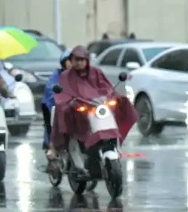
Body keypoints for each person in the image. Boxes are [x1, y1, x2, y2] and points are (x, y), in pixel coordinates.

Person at [50, 46, 137, 177]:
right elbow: (63, 95)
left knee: (121, 101)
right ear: (71, 60)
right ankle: (74, 151)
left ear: (87, 60)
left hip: (97, 108)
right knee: (66, 112)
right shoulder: (66, 76)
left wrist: (112, 97)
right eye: (76, 59)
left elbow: (106, 88)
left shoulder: (96, 72)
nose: (79, 63)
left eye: (82, 59)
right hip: (78, 111)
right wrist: (72, 102)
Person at [42, 49, 72, 156]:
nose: (72, 63)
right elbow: (50, 92)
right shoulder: (57, 76)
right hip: (60, 106)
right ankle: (52, 146)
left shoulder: (83, 75)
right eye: (69, 60)